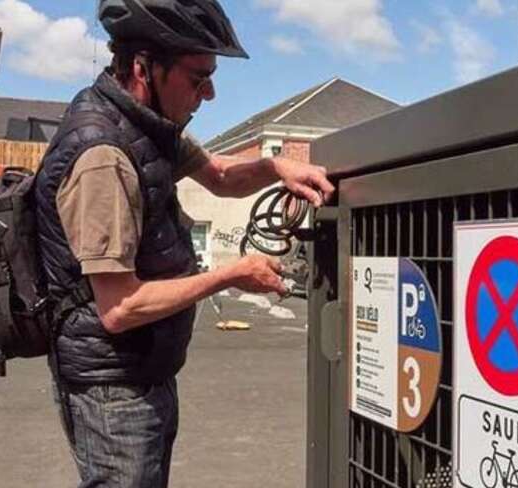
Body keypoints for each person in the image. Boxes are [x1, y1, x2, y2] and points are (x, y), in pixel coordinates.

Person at [32, 1, 336, 486]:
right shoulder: (102, 156)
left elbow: (219, 177)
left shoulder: (146, 126)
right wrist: (230, 276)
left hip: (144, 371)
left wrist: (277, 167)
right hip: (113, 390)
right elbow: (119, 307)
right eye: (198, 78)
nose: (210, 93)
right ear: (142, 69)